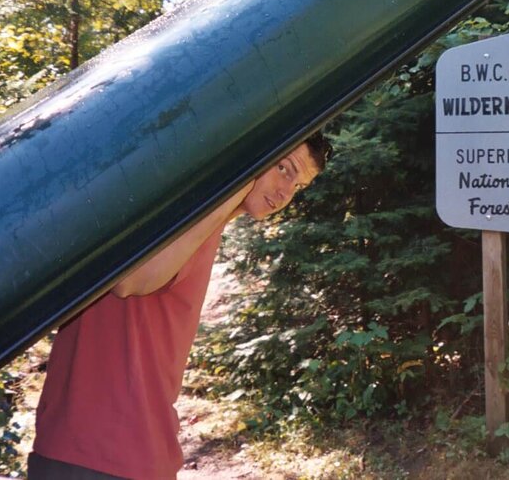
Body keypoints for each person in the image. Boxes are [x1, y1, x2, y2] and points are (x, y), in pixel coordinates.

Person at [28, 134, 331, 480]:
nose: (285, 192)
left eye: (299, 185)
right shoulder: (186, 209)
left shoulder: (209, 223)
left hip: (124, 451)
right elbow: (130, 282)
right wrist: (238, 179)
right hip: (100, 454)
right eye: (283, 168)